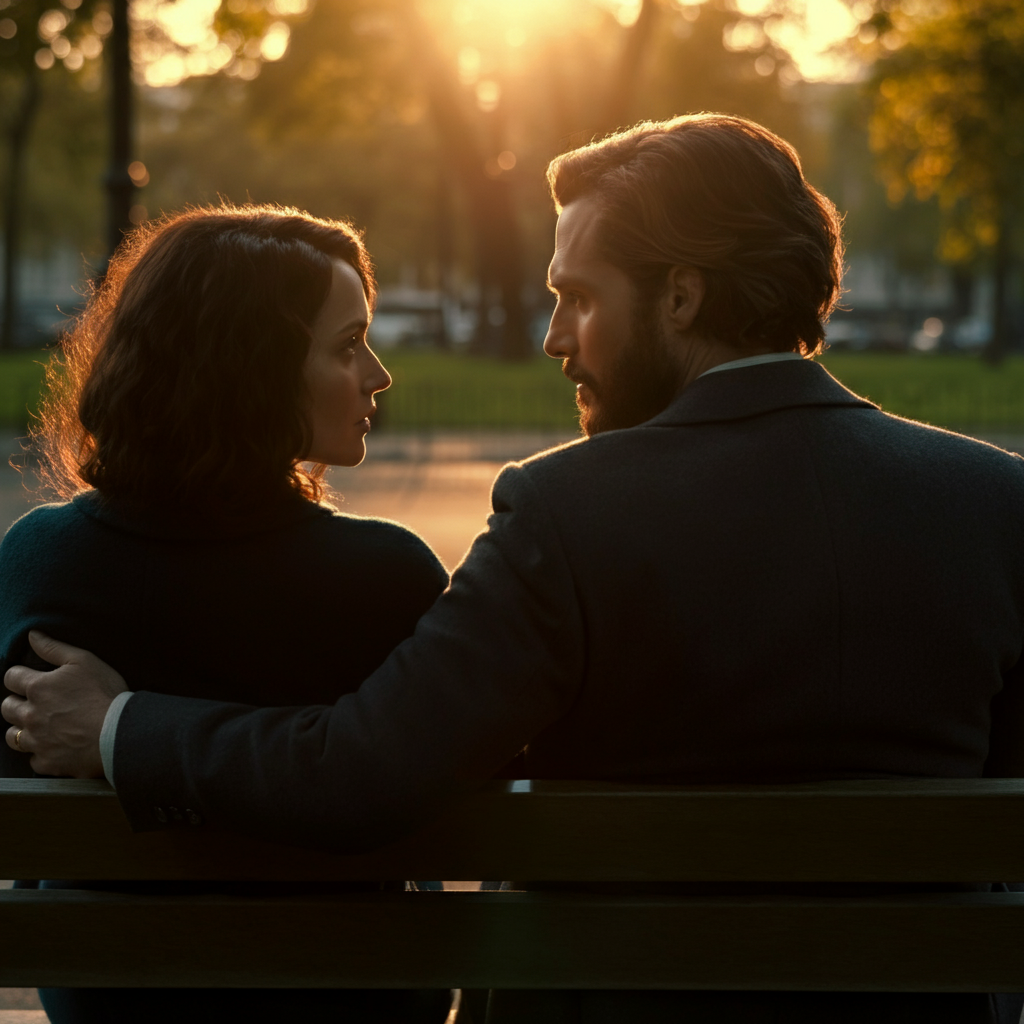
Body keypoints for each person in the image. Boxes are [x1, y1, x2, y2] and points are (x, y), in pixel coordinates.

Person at [7, 115, 1024, 1023]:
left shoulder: (566, 510)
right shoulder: (995, 501)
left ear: (680, 296)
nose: (551, 338)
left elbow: (365, 770)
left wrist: (118, 725)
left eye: (577, 298)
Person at [0, 205, 454, 1024]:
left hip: (115, 1002)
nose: (378, 374)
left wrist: (118, 731)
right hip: (346, 1005)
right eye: (348, 345)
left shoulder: (40, 564)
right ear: (255, 368)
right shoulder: (385, 580)